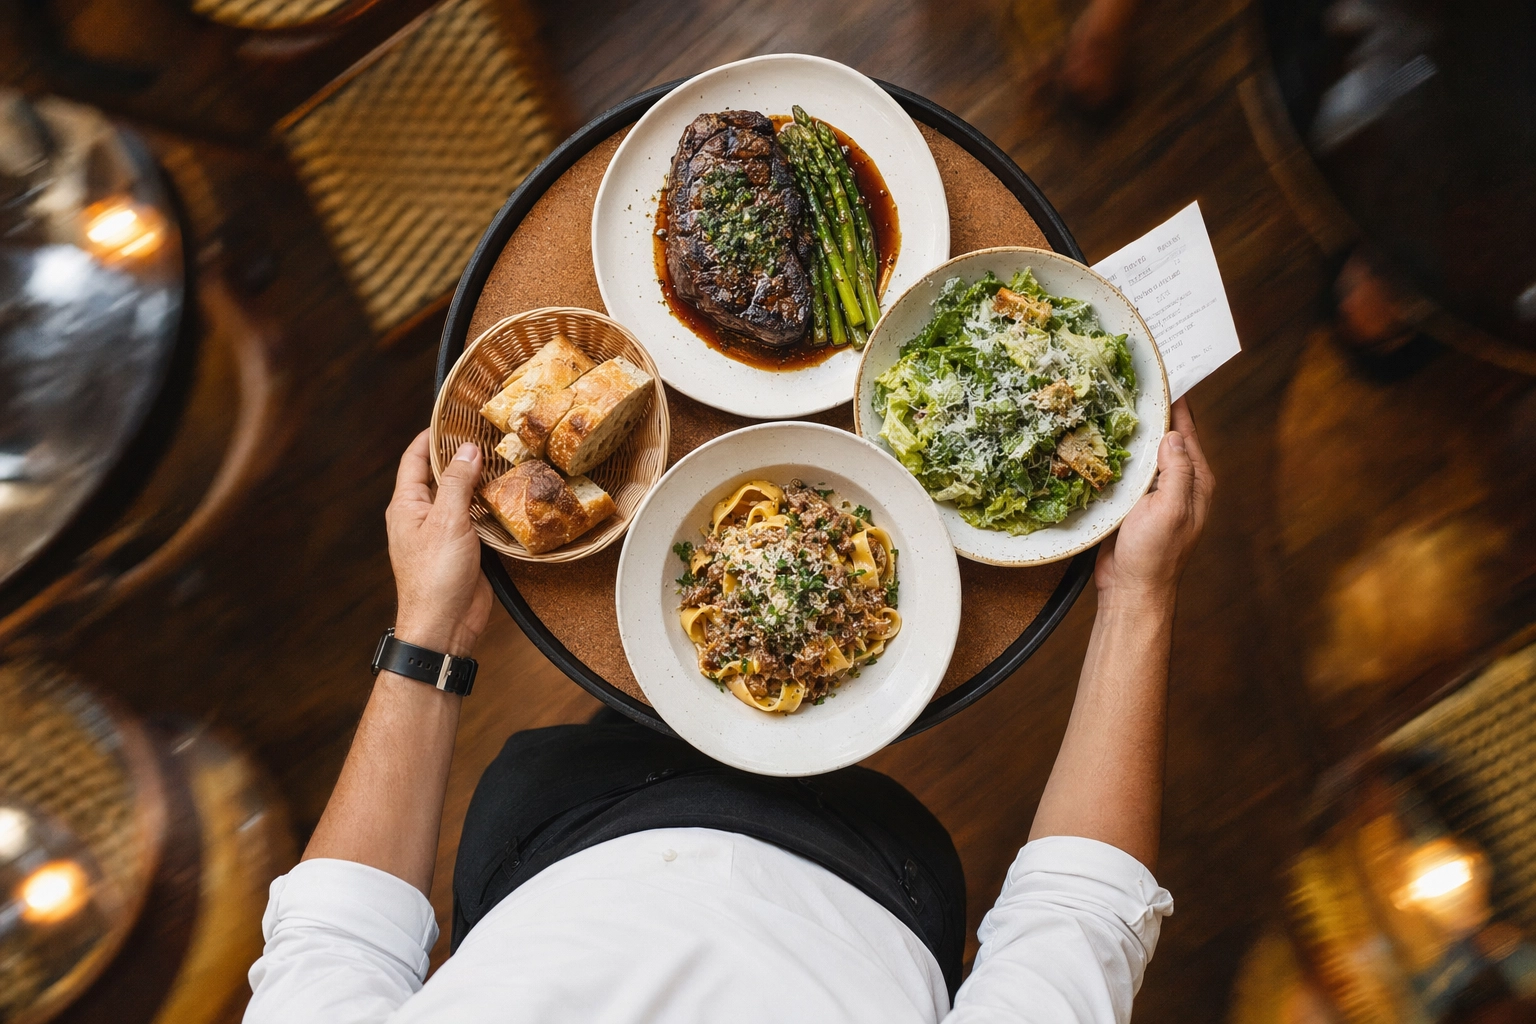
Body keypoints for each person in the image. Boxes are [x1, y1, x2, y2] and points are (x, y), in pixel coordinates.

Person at [244, 399, 1214, 1024]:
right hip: (870, 864)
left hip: (559, 823)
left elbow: (335, 941)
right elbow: (1078, 923)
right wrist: (1138, 597)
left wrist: (432, 628)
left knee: (635, 698)